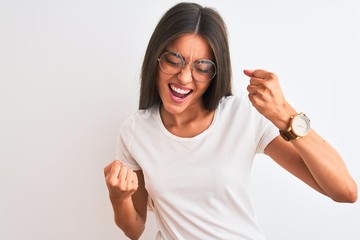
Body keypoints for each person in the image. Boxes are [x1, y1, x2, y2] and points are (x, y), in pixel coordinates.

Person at [104, 2, 357, 239]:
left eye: (201, 67)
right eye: (173, 60)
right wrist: (118, 197)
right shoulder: (135, 131)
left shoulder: (243, 115)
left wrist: (285, 114)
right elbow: (135, 229)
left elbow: (345, 191)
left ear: (215, 73)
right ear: (155, 59)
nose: (184, 77)